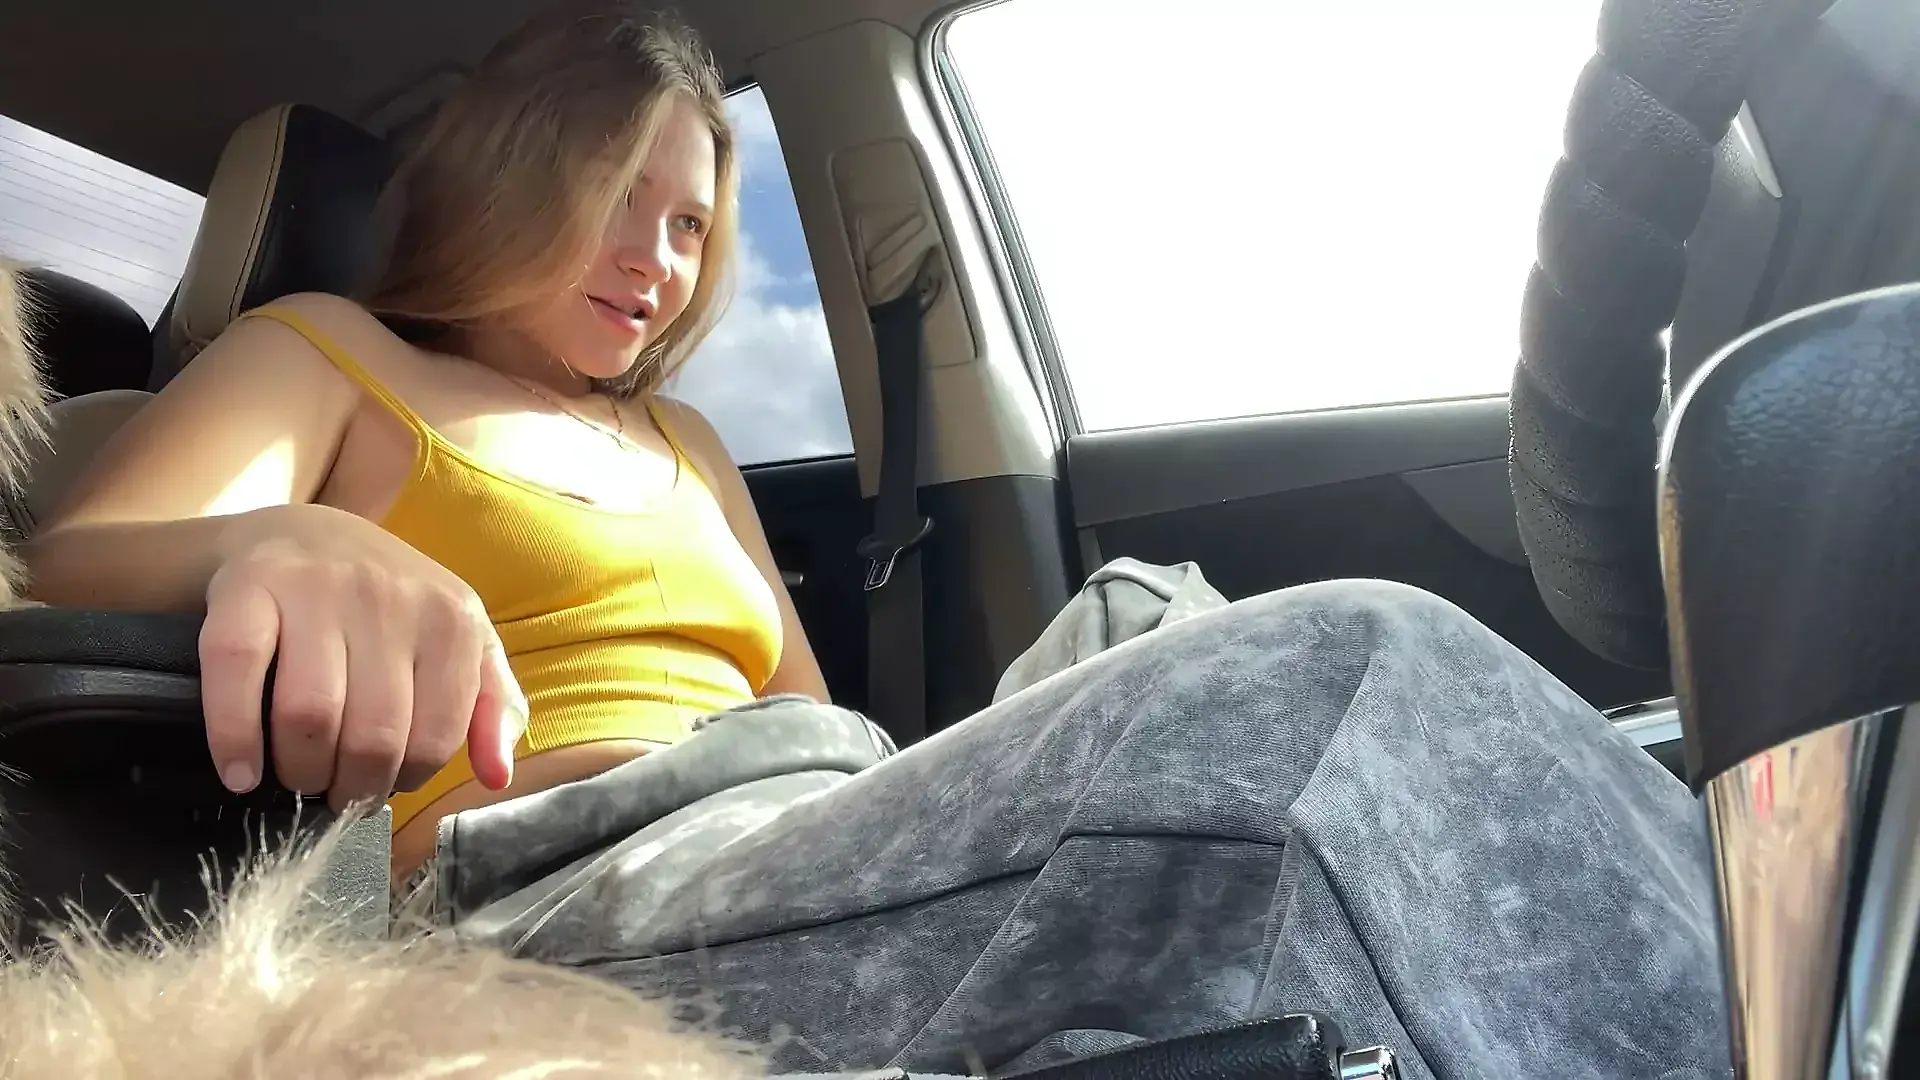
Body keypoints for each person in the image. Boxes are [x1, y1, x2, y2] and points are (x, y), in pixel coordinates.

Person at [20, 7, 1730, 1078]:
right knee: (1338, 680)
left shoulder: (683, 440)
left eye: (692, 225)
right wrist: (291, 549)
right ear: (511, 172)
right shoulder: (329, 352)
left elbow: (809, 719)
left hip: (793, 815)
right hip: (553, 881)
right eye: (623, 197)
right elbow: (76, 567)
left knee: (1152, 609)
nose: (663, 262)